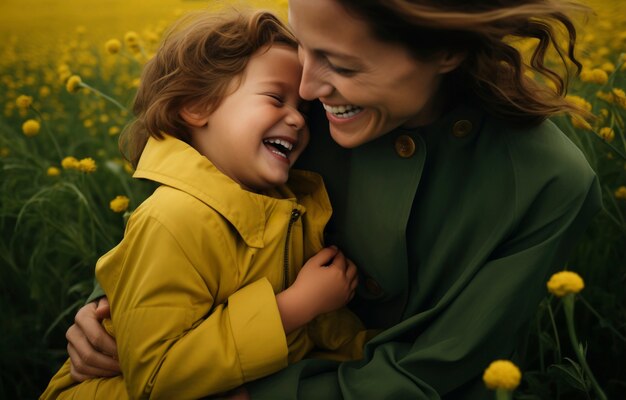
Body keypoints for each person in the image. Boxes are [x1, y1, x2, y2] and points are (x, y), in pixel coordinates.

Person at [64, 0, 603, 398]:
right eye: (302, 46)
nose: (308, 86)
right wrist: (107, 307)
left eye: (342, 65)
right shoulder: (292, 109)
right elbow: (191, 197)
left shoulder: (548, 185)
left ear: (447, 50)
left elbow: (434, 371)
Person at [41, 9, 374, 400]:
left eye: (302, 110)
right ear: (197, 106)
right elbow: (158, 378)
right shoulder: (171, 219)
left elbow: (315, 335)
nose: (300, 120)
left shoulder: (285, 207)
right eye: (274, 98)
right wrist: (293, 308)